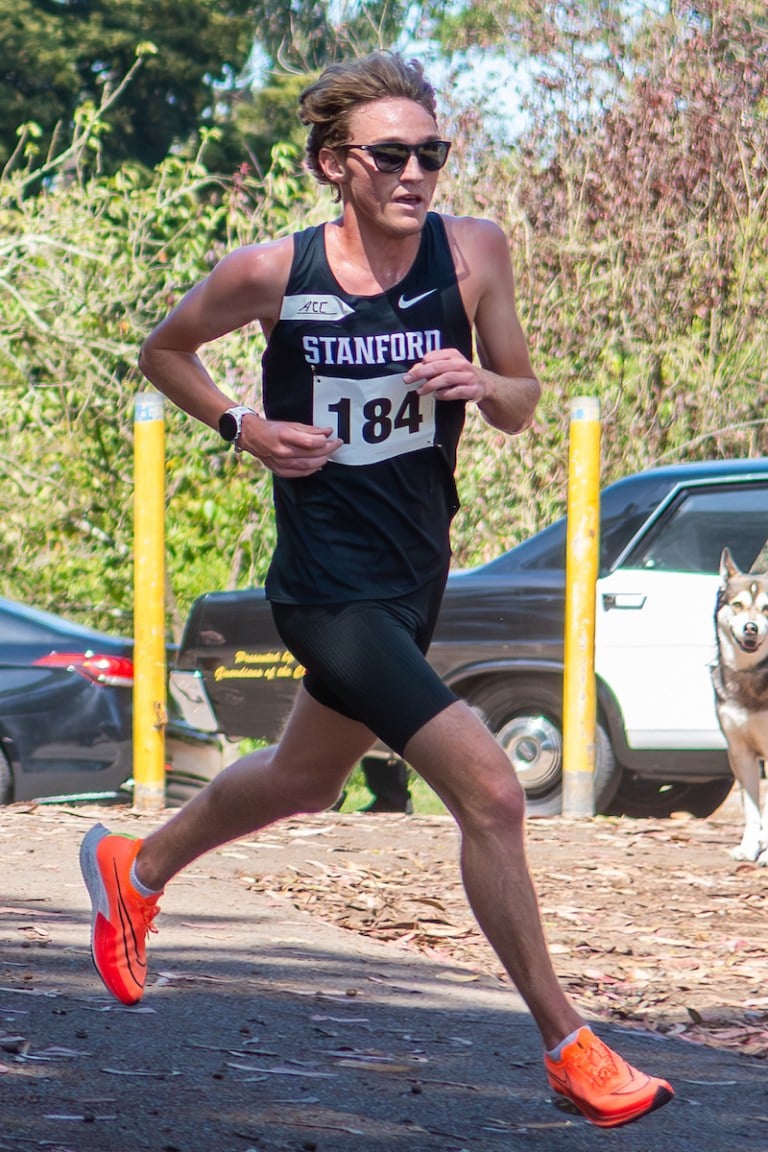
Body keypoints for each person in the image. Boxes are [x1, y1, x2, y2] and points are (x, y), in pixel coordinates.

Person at [79, 51, 673, 1129]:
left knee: (306, 780)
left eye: (432, 154)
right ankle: (569, 1044)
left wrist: (482, 380)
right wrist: (240, 426)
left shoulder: (475, 253)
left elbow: (523, 400)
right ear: (333, 167)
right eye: (390, 155)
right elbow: (163, 351)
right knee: (492, 791)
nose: (415, 174)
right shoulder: (272, 272)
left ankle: (137, 864)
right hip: (326, 588)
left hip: (413, 577)